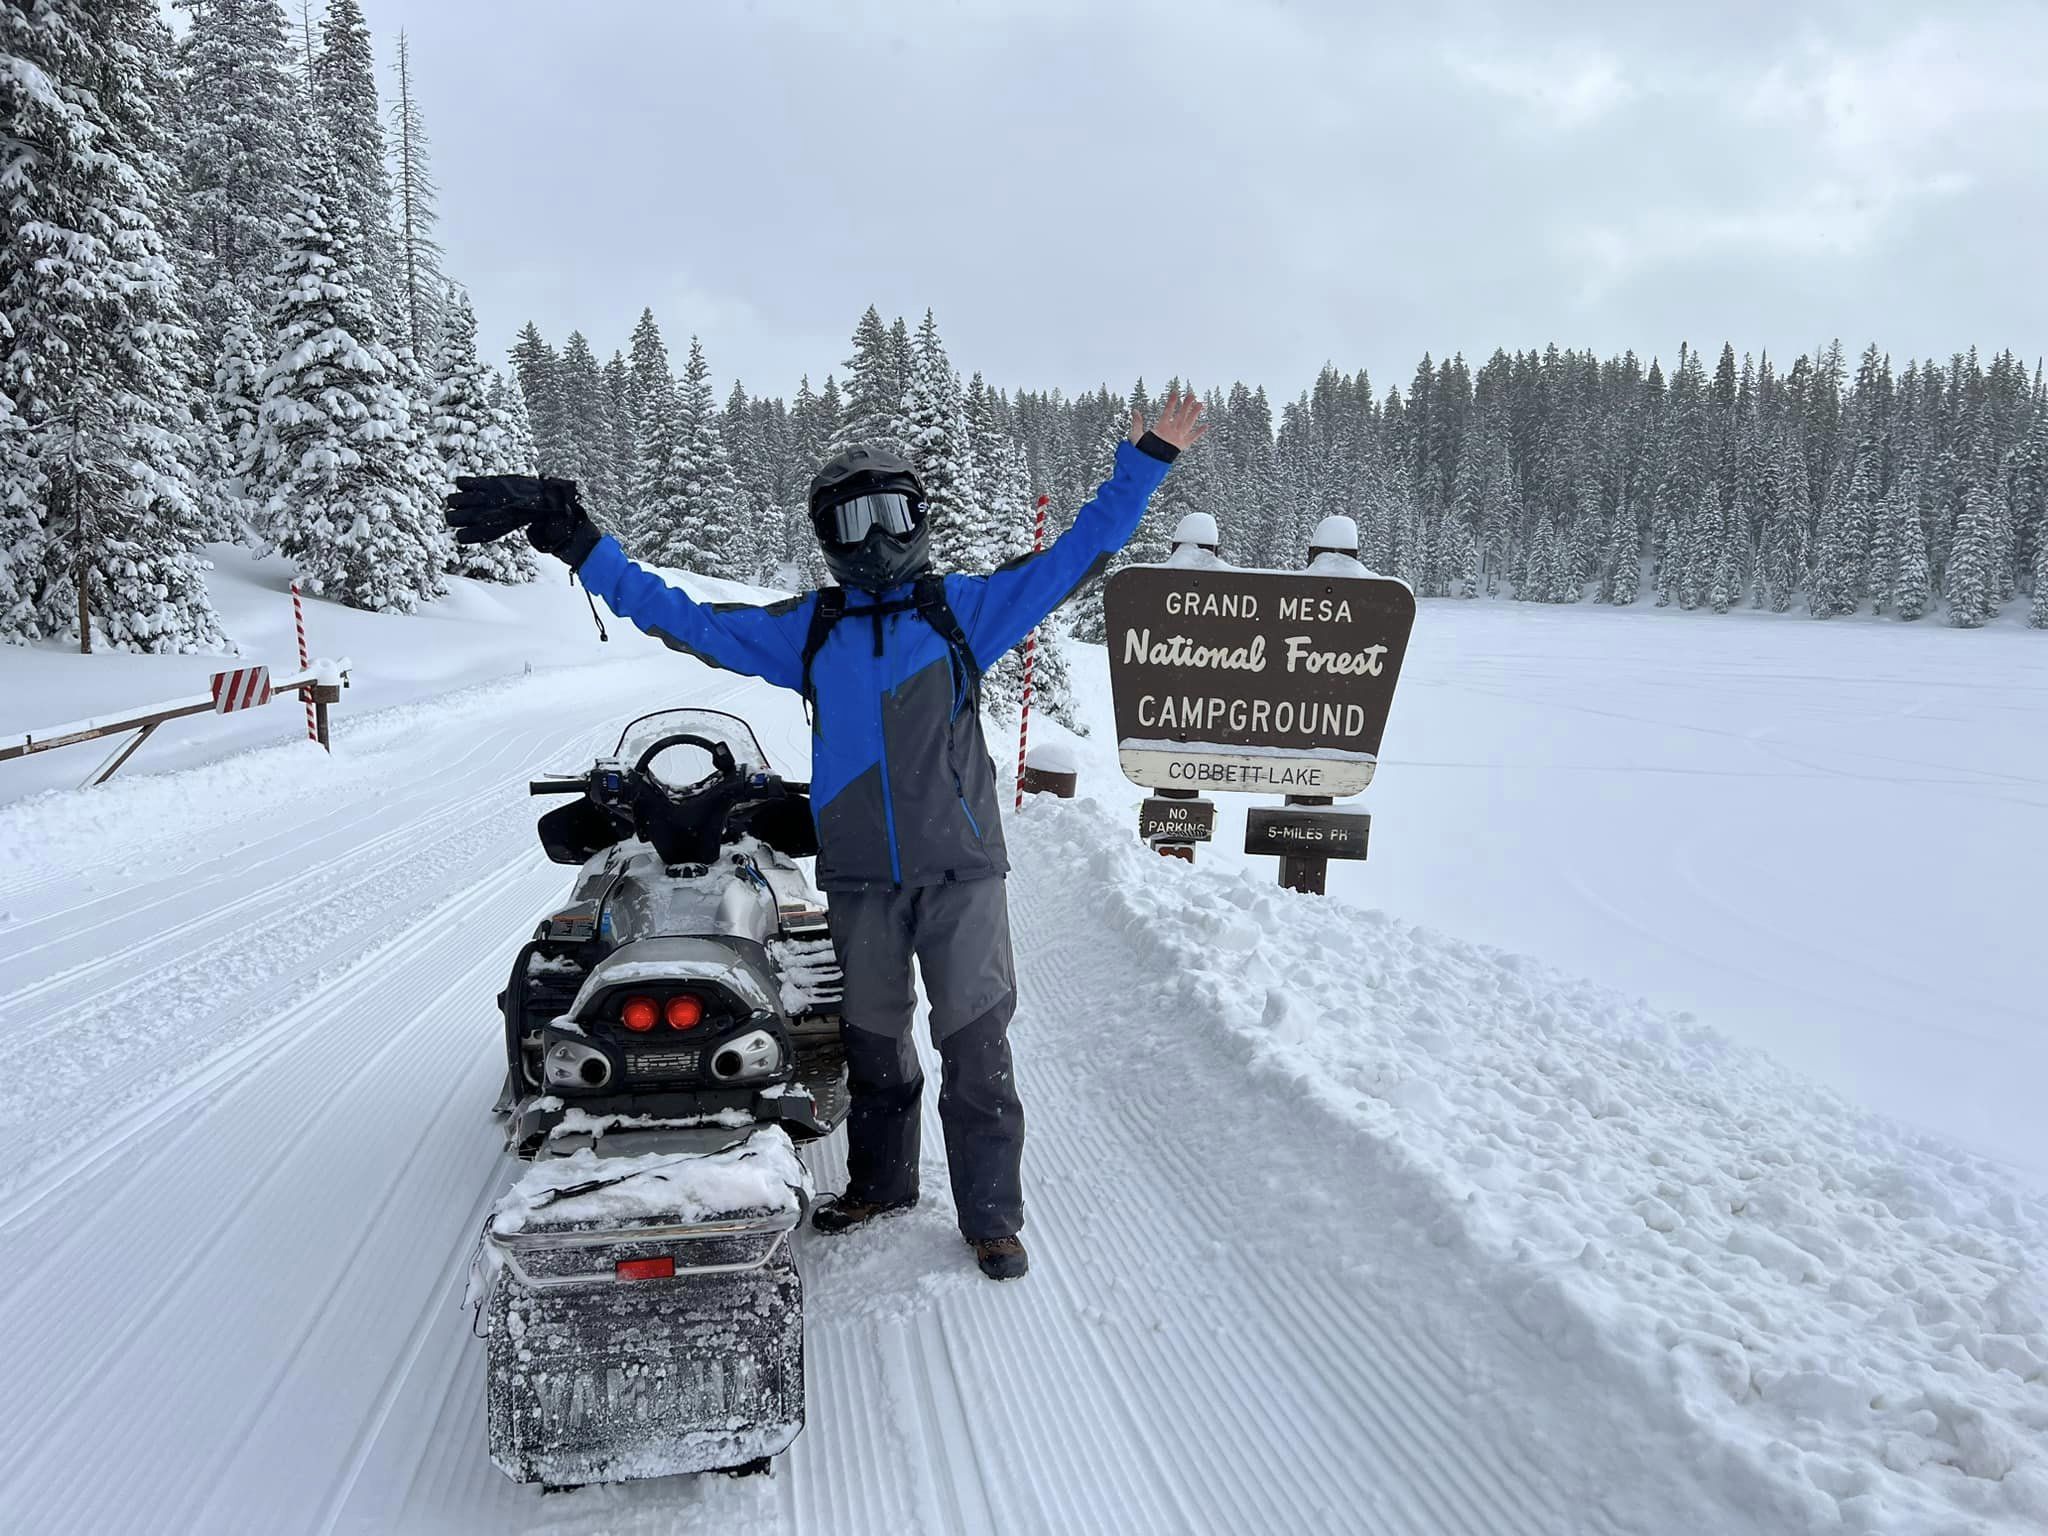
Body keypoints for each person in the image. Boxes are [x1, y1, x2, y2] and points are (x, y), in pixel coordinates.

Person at [445, 390, 1206, 1280]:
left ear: (919, 517)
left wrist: (1148, 457)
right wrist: (578, 539)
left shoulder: (965, 612)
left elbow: (1085, 551)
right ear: (827, 538)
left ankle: (991, 1217)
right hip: (858, 880)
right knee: (876, 1045)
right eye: (852, 521)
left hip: (960, 876)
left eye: (891, 513)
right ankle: (883, 1184)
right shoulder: (814, 630)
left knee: (976, 1049)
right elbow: (680, 617)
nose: (875, 538)